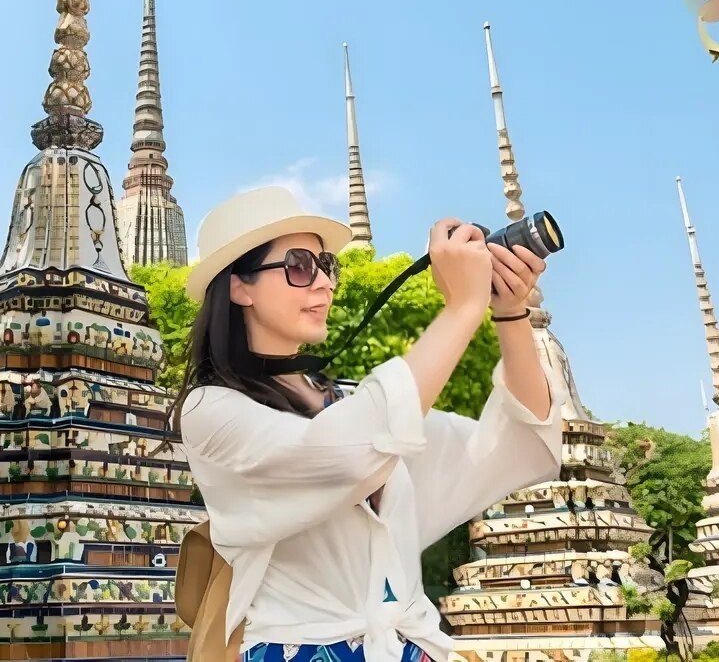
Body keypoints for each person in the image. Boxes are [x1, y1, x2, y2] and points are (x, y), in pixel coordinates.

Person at [174, 186, 566, 662]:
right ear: (240, 286)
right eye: (299, 265)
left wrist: (509, 311)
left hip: (412, 646)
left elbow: (517, 448)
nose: (323, 282)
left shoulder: (352, 402)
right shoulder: (209, 411)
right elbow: (344, 457)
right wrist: (461, 309)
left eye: (326, 266)